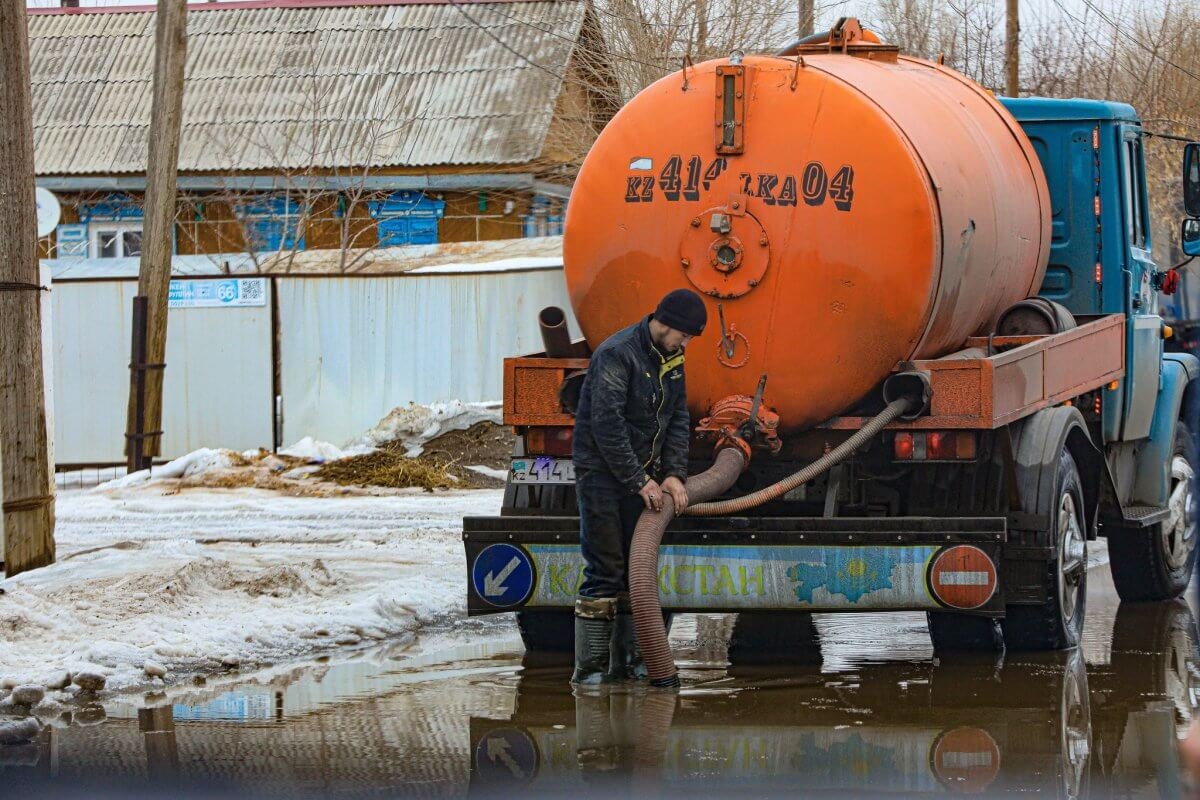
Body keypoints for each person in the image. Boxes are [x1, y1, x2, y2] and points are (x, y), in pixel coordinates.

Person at [569, 288, 707, 685]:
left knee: (639, 569)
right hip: (601, 474)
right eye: (685, 336)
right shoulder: (617, 354)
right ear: (666, 324)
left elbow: (678, 416)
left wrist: (673, 474)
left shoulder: (672, 357)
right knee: (605, 569)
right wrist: (638, 479)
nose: (687, 344)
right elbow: (607, 426)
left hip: (642, 474)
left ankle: (636, 667)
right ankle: (592, 676)